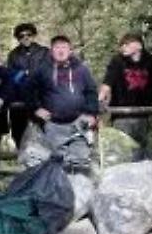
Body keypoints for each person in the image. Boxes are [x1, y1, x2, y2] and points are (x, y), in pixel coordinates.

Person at [25, 35, 99, 171]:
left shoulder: (81, 69)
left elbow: (91, 92)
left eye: (64, 47)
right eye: (57, 47)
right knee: (56, 164)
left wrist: (91, 113)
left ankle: (80, 189)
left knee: (80, 162)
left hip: (78, 124)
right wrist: (36, 109)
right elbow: (29, 91)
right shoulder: (42, 70)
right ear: (51, 51)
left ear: (70, 50)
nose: (61, 51)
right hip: (53, 125)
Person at [99, 33, 152, 154]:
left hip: (143, 114)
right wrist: (100, 100)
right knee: (122, 152)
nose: (122, 48)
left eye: (126, 45)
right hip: (121, 116)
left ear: (138, 46)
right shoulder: (117, 60)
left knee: (140, 150)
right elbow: (107, 83)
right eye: (122, 45)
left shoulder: (151, 61)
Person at [6, 22, 48, 147]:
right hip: (21, 97)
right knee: (18, 129)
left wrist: (31, 74)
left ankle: (45, 156)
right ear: (18, 38)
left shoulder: (44, 52)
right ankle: (21, 152)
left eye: (28, 34)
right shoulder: (13, 55)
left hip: (41, 97)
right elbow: (12, 76)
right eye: (21, 36)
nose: (25, 38)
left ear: (33, 35)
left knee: (44, 128)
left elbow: (48, 73)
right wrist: (23, 74)